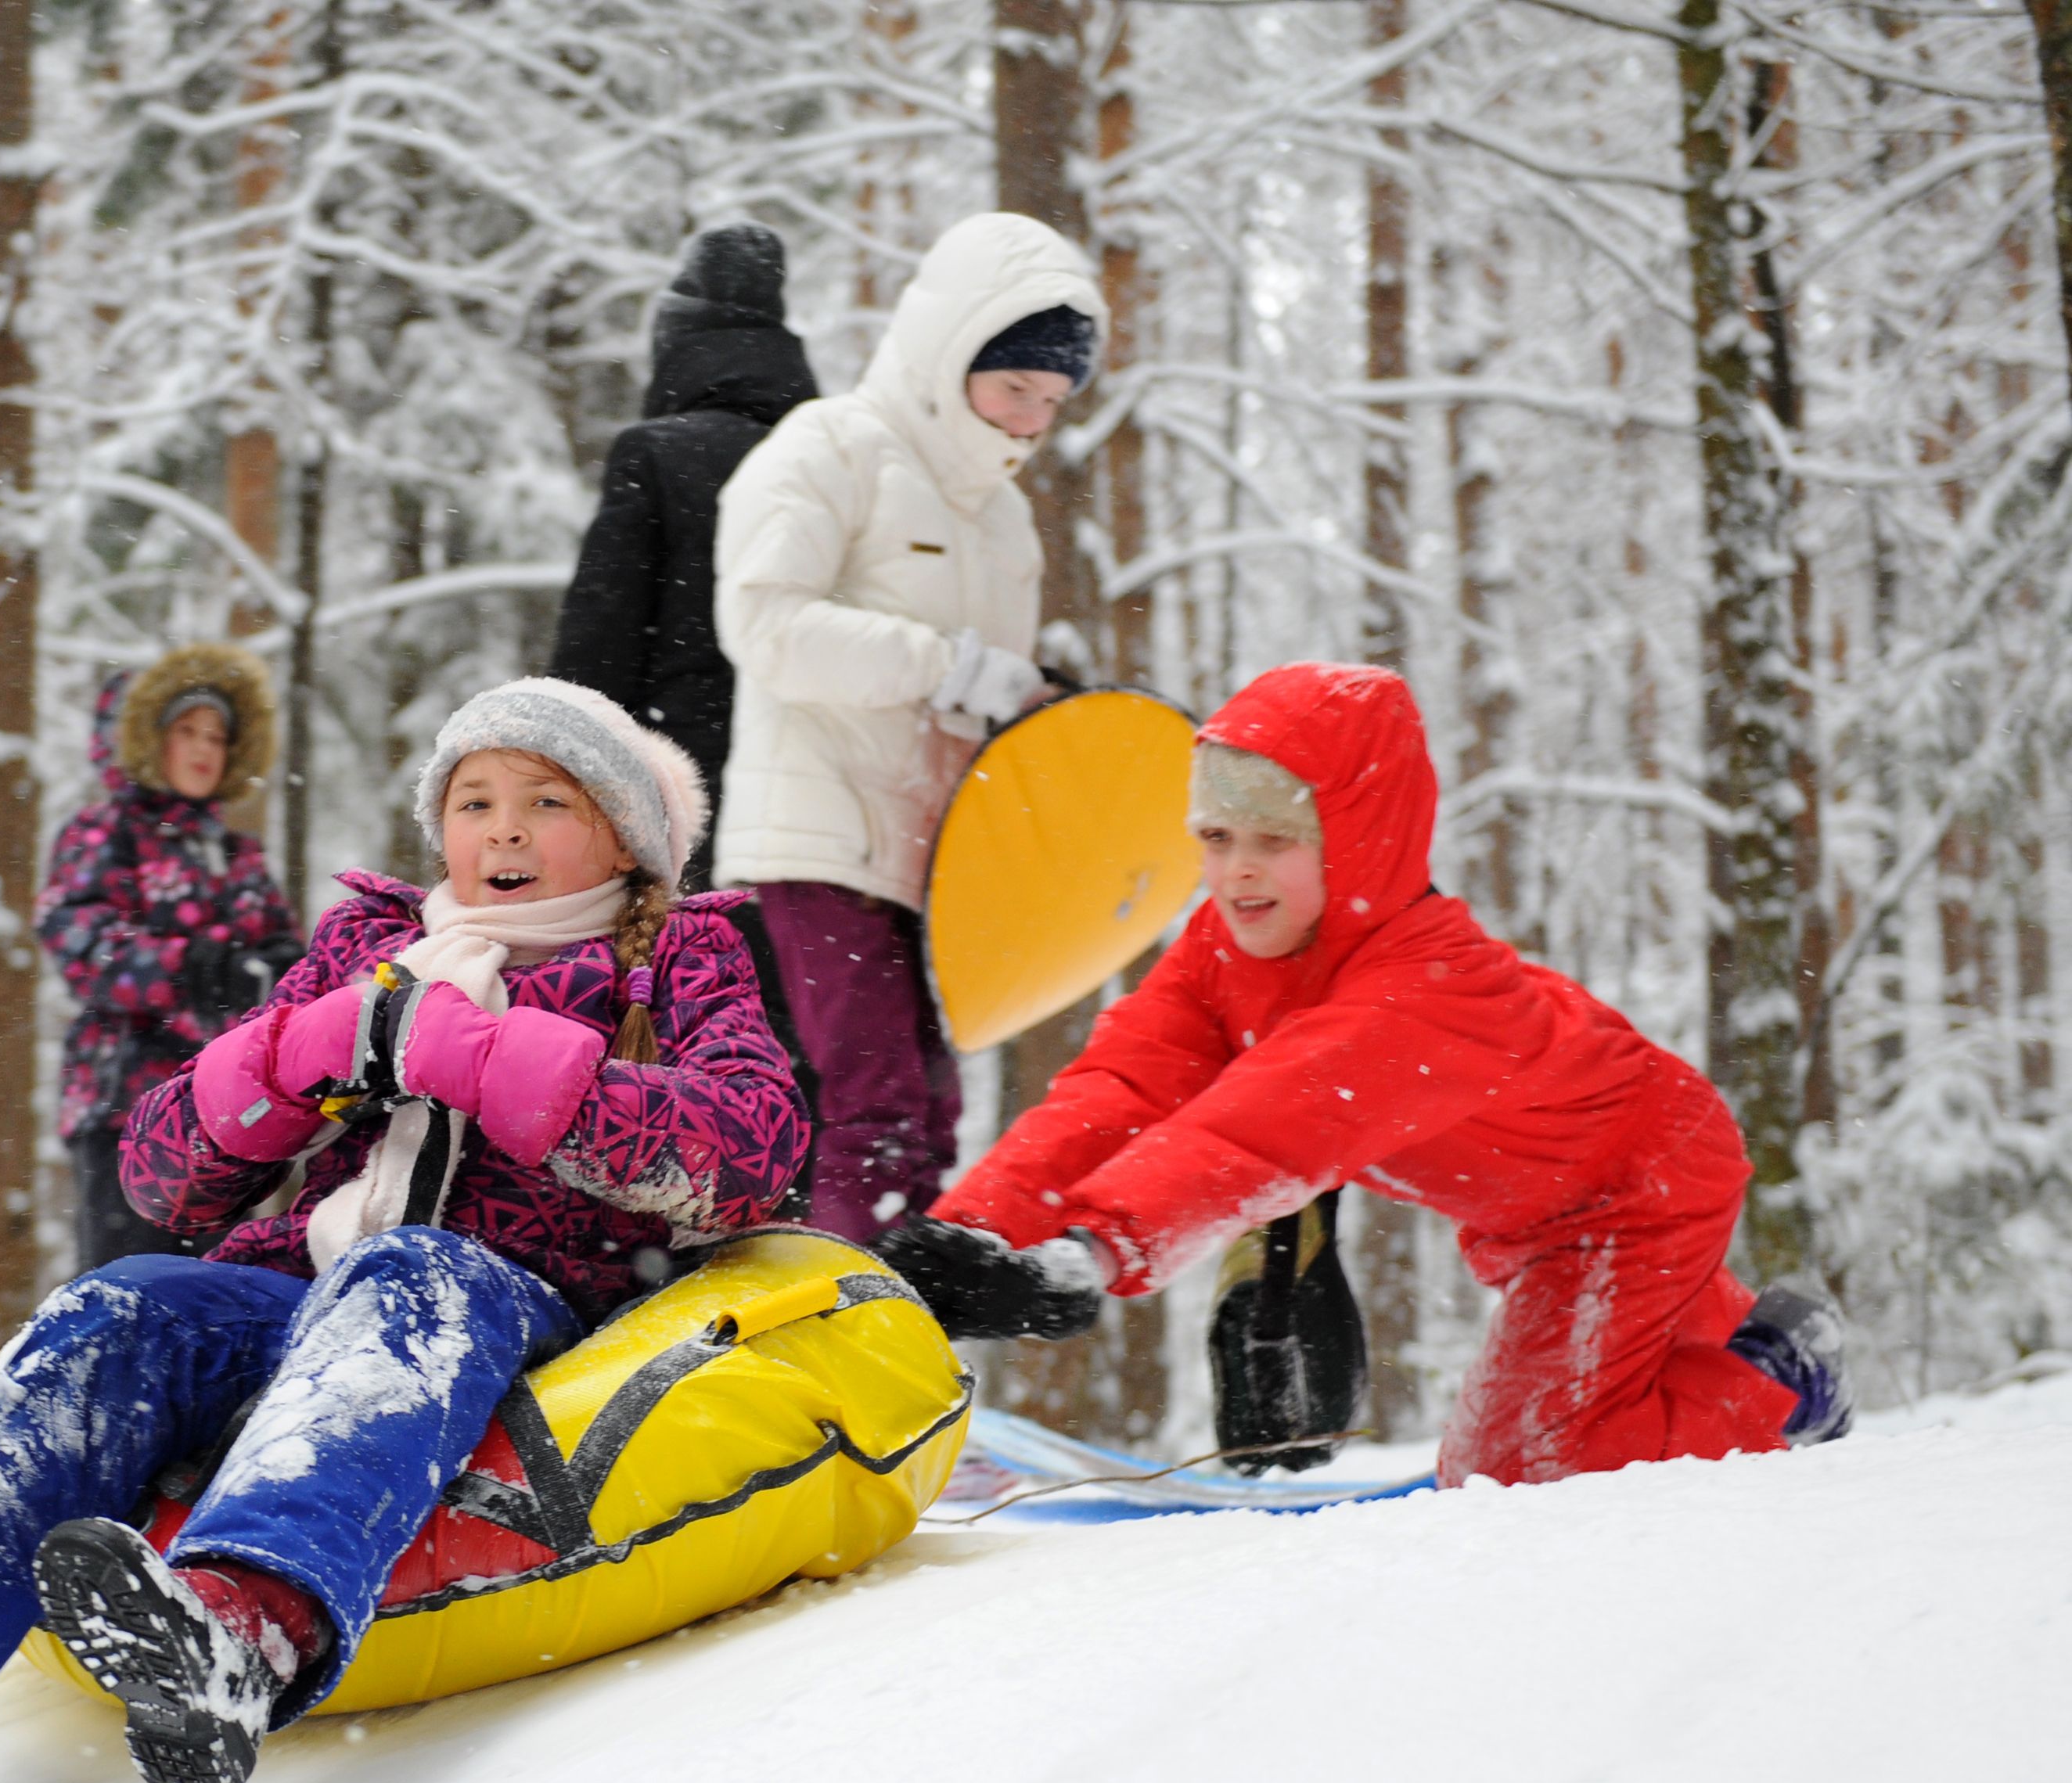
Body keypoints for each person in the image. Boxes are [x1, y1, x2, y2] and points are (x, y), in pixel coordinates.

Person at [0, 677, 807, 1783]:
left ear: (625, 837)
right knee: (119, 1305)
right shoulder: (372, 946)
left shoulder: (678, 958)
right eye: (474, 799)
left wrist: (494, 1058)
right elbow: (163, 1173)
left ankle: (245, 1629)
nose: (501, 829)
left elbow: (752, 1148)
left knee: (410, 1276)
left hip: (508, 1291)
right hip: (298, 1286)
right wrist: (297, 1056)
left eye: (548, 801)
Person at [874, 661, 1851, 1487]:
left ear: (1359, 838)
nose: (1236, 874)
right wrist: (969, 1237)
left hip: (1635, 1188)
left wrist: (1090, 1254)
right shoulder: (1230, 947)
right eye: (1215, 839)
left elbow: (1258, 1130)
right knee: (1595, 1386)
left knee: (1522, 1469)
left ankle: (1784, 1377)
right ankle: (1717, 1348)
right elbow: (1121, 1090)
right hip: (1542, 1194)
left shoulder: (1423, 985)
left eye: (1274, 841)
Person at [710, 210, 1105, 1242]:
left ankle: (886, 1337)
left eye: (1052, 402)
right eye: (1014, 385)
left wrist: (1041, 714)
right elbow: (762, 618)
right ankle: (833, 1334)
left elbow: (975, 694)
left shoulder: (1006, 521)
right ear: (950, 350)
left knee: (931, 1123)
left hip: (937, 863)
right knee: (874, 1119)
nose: (1029, 420)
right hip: (822, 835)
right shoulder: (833, 446)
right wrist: (948, 665)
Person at [548, 222, 818, 879]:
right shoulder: (829, 462)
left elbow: (599, 644)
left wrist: (550, 778)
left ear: (674, 346)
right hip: (809, 797)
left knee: (681, 974)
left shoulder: (658, 455)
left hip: (679, 789)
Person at [36, 643, 300, 1270]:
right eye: (187, 731)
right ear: (148, 737)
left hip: (228, 1111)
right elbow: (80, 940)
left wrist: (280, 968)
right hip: (126, 1101)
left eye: (218, 735)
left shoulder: (238, 854)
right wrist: (198, 966)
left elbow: (285, 959)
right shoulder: (104, 832)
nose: (206, 749)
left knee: (216, 1292)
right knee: (134, 1286)